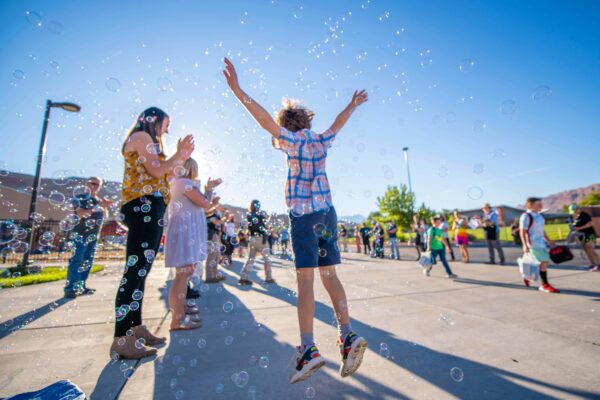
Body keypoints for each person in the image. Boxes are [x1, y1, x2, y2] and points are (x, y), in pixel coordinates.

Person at [223, 57, 368, 384]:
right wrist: (353, 103)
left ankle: (307, 349)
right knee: (329, 274)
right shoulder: (320, 140)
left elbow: (263, 121)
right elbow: (338, 123)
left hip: (304, 217)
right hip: (328, 214)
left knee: (306, 282)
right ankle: (347, 335)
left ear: (287, 127)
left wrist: (237, 90)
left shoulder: (291, 140)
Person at [111, 107, 194, 360]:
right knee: (135, 270)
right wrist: (178, 154)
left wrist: (180, 158)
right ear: (154, 121)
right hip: (141, 203)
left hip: (151, 205)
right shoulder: (141, 137)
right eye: (166, 124)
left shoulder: (150, 142)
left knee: (141, 272)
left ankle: (135, 328)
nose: (167, 130)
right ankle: (122, 338)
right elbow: (158, 171)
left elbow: (165, 173)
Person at [165, 158, 221, 331]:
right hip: (185, 232)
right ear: (191, 168)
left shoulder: (177, 183)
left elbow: (205, 206)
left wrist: (208, 193)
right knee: (182, 275)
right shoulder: (184, 183)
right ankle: (177, 320)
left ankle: (179, 316)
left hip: (184, 231)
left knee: (183, 274)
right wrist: (209, 191)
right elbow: (205, 204)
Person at [64, 177, 112, 298]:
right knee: (77, 260)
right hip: (80, 234)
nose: (95, 186)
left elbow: (103, 217)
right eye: (92, 183)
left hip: (93, 235)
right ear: (87, 184)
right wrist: (98, 206)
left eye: (97, 184)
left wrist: (104, 206)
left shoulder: (99, 200)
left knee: (87, 261)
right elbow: (81, 213)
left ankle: (81, 287)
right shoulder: (80, 198)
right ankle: (70, 289)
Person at [519, 197, 559, 292]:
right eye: (538, 204)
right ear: (530, 205)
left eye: (541, 204)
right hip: (533, 243)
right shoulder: (526, 216)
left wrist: (548, 240)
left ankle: (527, 276)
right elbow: (522, 231)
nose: (541, 206)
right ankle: (544, 285)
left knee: (536, 263)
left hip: (541, 242)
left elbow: (541, 230)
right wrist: (524, 245)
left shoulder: (540, 216)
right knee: (543, 262)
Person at [239, 200, 275, 285]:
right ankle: (268, 278)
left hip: (252, 239)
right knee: (267, 259)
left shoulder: (248, 215)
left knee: (250, 259)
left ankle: (243, 278)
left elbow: (244, 228)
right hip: (261, 239)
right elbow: (267, 227)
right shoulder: (261, 215)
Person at [569, 204, 600, 271]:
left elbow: (590, 224)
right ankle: (592, 264)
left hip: (589, 234)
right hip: (581, 236)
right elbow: (574, 226)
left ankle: (598, 265)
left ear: (578, 209)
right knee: (586, 250)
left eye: (575, 210)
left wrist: (579, 228)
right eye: (573, 211)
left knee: (590, 249)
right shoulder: (574, 217)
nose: (574, 212)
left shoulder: (584, 215)